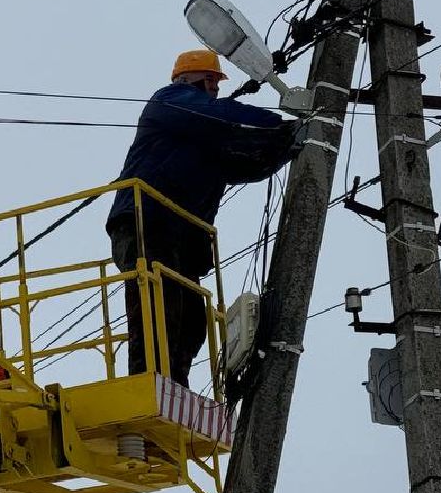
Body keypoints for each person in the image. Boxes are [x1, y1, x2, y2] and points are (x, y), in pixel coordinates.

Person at [107, 48, 299, 386]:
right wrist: (279, 122)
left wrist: (288, 141)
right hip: (145, 218)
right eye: (209, 79)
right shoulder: (170, 101)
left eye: (215, 81)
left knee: (193, 316)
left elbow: (245, 159)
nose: (214, 86)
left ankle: (173, 382)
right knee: (158, 303)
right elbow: (217, 114)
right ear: (187, 78)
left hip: (180, 235)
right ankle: (150, 381)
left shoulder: (208, 142)